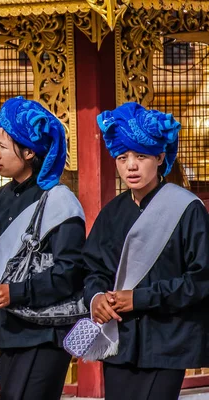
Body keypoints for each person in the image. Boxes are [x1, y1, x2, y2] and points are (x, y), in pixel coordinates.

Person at [0, 97, 87, 400]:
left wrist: (15, 292)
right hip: (11, 327)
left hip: (46, 331)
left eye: (2, 147)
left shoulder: (60, 201)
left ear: (29, 151)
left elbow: (69, 272)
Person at [82, 102, 209, 400]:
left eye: (141, 156)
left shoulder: (187, 209)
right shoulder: (111, 213)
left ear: (160, 157)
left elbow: (201, 279)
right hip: (120, 341)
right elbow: (92, 269)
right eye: (123, 157)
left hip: (167, 341)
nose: (131, 166)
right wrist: (96, 297)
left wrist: (139, 298)